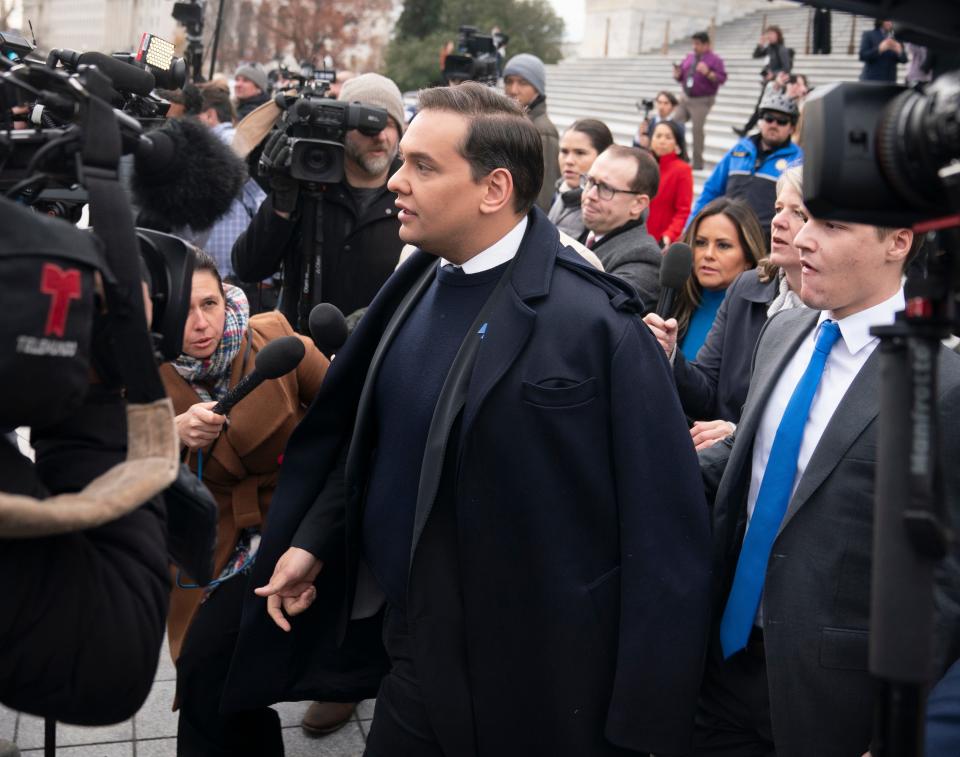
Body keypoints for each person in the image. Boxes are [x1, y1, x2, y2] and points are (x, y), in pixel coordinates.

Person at [224, 81, 712, 757]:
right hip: (413, 648)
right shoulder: (418, 279)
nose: (396, 180)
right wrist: (316, 539)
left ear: (494, 189)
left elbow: (666, 535)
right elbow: (376, 438)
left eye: (424, 166)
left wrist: (641, 724)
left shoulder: (597, 324)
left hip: (532, 679)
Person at [691, 211, 960, 757]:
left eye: (832, 226)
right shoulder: (783, 330)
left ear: (899, 242)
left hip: (835, 700)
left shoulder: (942, 384)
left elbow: (944, 582)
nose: (802, 238)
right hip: (718, 671)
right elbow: (751, 467)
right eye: (805, 217)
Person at [159, 250, 329, 756]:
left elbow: (344, 409)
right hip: (212, 540)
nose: (200, 323)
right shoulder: (143, 370)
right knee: (208, 678)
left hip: (292, 526)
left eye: (209, 303)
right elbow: (110, 459)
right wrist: (172, 434)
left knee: (209, 676)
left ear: (227, 295)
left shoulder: (271, 334)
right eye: (180, 311)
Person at [644, 166, 806, 449]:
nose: (779, 221)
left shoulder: (834, 307)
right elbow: (707, 392)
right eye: (778, 208)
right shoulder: (744, 288)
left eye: (799, 213)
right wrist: (670, 354)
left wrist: (736, 432)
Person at [232, 73, 406, 334]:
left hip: (381, 355)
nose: (380, 136)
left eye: (389, 124)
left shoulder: (413, 195)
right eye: (368, 125)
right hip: (304, 355)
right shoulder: (306, 186)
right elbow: (248, 267)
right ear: (341, 128)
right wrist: (281, 204)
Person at [691, 90, 802, 240]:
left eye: (782, 121)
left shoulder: (798, 161)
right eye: (769, 118)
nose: (774, 125)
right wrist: (690, 227)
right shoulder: (739, 150)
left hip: (765, 243)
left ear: (792, 128)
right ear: (760, 121)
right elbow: (711, 191)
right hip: (726, 235)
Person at [668, 197, 763, 363]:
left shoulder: (760, 318)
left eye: (723, 245)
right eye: (701, 243)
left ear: (748, 258)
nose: (708, 254)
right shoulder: (673, 298)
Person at [580, 145, 662, 312]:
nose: (590, 195)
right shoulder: (586, 230)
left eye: (606, 188)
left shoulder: (644, 257)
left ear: (638, 204)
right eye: (590, 181)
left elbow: (592, 313)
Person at [503, 53, 560, 212]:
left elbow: (543, 195)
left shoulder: (543, 131)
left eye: (523, 82)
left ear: (537, 88)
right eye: (509, 81)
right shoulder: (514, 122)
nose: (513, 90)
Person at [547, 118, 613, 240]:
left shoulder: (605, 208)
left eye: (580, 153)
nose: (569, 161)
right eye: (564, 151)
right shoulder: (560, 190)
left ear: (603, 156)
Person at [673, 31, 727, 171]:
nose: (694, 46)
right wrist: (678, 75)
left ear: (706, 45)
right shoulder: (689, 57)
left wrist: (708, 73)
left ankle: (697, 163)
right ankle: (682, 156)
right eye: (693, 43)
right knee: (675, 124)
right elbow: (682, 76)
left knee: (697, 130)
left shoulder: (715, 60)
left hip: (701, 100)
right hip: (685, 97)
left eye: (697, 44)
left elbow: (721, 78)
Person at [646, 120, 693, 247]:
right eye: (658, 136)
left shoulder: (682, 170)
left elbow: (683, 210)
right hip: (637, 234)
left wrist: (669, 235)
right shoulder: (644, 164)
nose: (662, 141)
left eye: (668, 137)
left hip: (662, 241)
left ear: (677, 143)